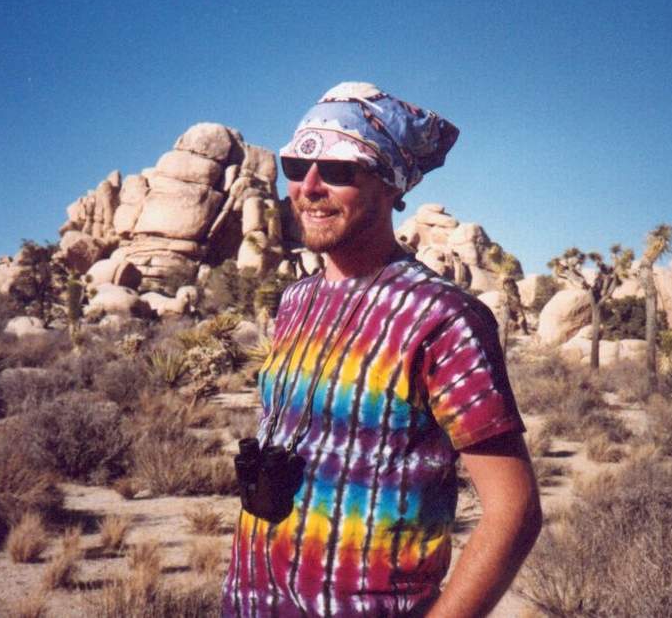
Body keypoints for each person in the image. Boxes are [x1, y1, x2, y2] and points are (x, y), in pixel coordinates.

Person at [222, 82, 541, 617]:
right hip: (251, 602)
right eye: (296, 166)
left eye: (339, 170)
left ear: (391, 184)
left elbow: (515, 510)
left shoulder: (441, 317)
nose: (309, 186)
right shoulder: (296, 300)